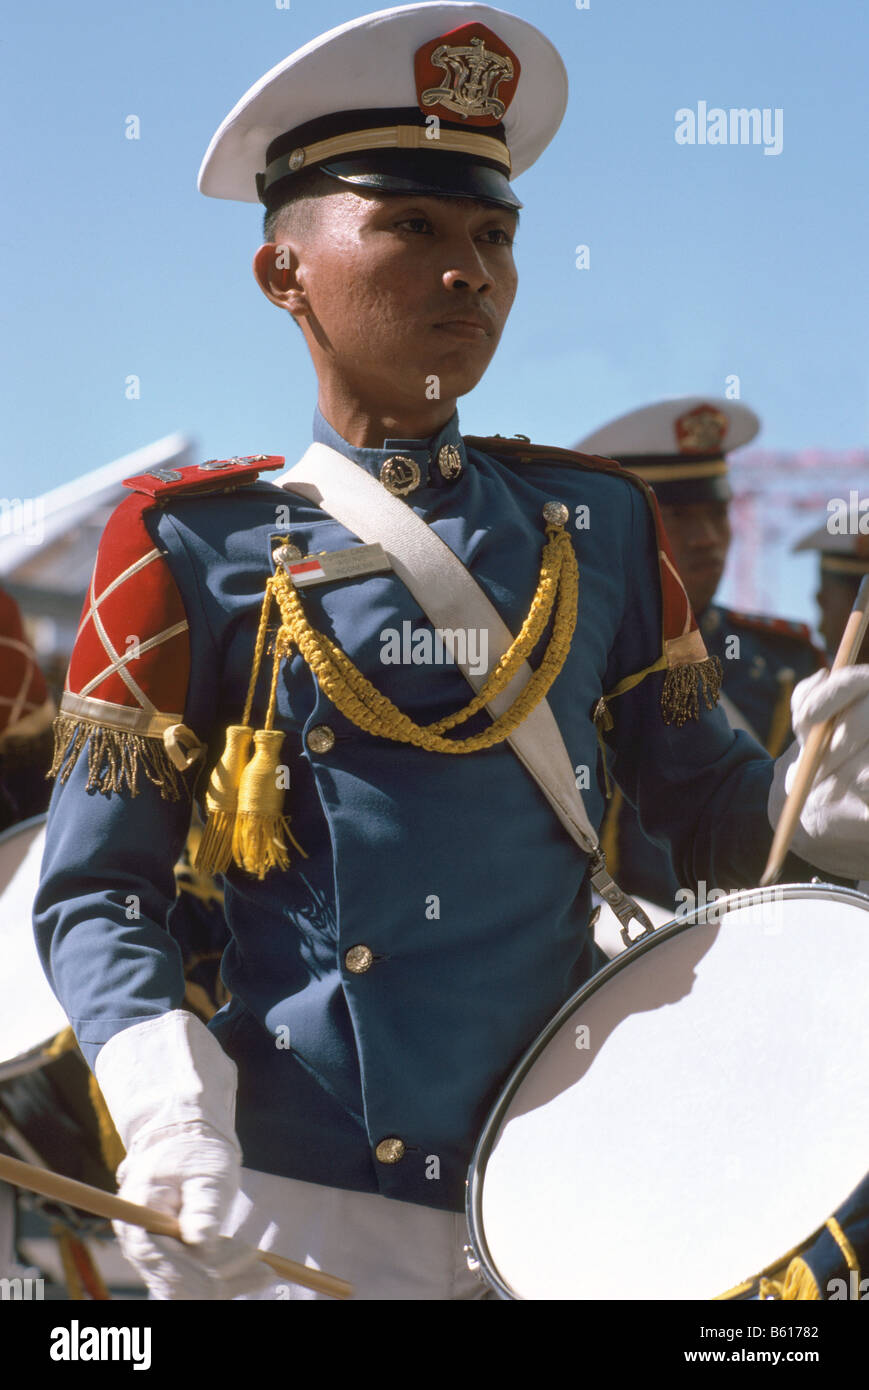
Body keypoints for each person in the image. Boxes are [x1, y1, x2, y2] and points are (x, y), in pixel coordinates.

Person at [32, 4, 869, 1301]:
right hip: (296, 1208)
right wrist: (166, 1108)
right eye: (409, 227)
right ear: (282, 271)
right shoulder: (185, 545)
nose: (466, 269)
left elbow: (706, 812)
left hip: (583, 1179)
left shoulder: (595, 524)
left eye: (490, 234)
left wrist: (805, 800)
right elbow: (99, 889)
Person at [576, 398, 825, 909]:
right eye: (681, 518)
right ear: (628, 529)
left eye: (717, 514)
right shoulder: (577, 650)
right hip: (617, 953)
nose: (708, 539)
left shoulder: (785, 657)